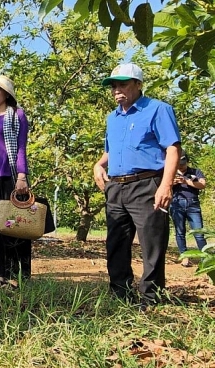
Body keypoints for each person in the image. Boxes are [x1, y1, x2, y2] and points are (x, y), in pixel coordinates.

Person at [93, 63, 180, 308]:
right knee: (116, 243)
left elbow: (173, 148)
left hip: (147, 184)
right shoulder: (113, 117)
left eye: (123, 84)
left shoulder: (158, 109)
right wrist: (98, 165)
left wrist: (166, 185)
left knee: (152, 244)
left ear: (138, 85)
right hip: (116, 188)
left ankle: (151, 299)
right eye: (113, 86)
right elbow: (109, 151)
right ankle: (121, 294)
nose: (117, 90)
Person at [0, 75, 31, 285]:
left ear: (7, 93)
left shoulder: (17, 115)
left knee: (15, 224)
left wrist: (21, 176)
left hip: (10, 176)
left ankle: (19, 273)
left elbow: (20, 147)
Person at [170, 150, 207, 267]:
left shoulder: (195, 172)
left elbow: (202, 184)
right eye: (179, 164)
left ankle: (205, 258)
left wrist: (186, 181)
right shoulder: (170, 173)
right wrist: (172, 183)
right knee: (180, 232)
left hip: (193, 204)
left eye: (183, 163)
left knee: (199, 232)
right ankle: (184, 257)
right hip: (176, 204)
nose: (181, 166)